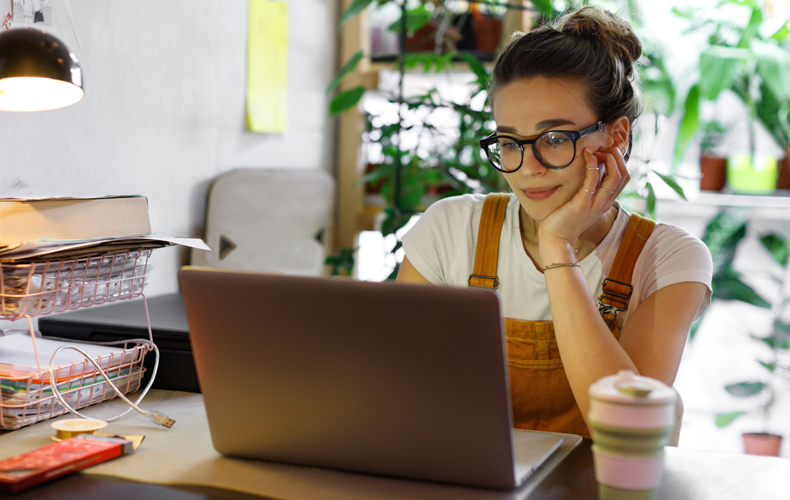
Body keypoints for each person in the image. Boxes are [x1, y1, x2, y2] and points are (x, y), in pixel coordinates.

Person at [397, 6, 713, 438]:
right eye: (510, 142)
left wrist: (557, 247)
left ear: (616, 136)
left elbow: (630, 427)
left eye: (554, 139)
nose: (528, 167)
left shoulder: (668, 259)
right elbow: (398, 391)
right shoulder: (452, 228)